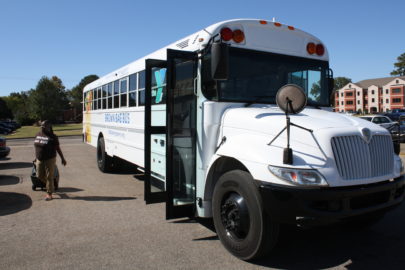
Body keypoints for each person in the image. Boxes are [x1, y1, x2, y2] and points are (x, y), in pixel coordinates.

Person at [34, 120, 67, 201]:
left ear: (48, 127)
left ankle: (49, 194)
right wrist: (36, 157)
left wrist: (62, 158)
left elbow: (58, 148)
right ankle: (52, 184)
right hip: (39, 159)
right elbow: (37, 146)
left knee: (49, 177)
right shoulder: (38, 134)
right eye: (41, 126)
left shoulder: (53, 137)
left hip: (50, 159)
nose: (42, 128)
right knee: (39, 176)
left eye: (44, 127)